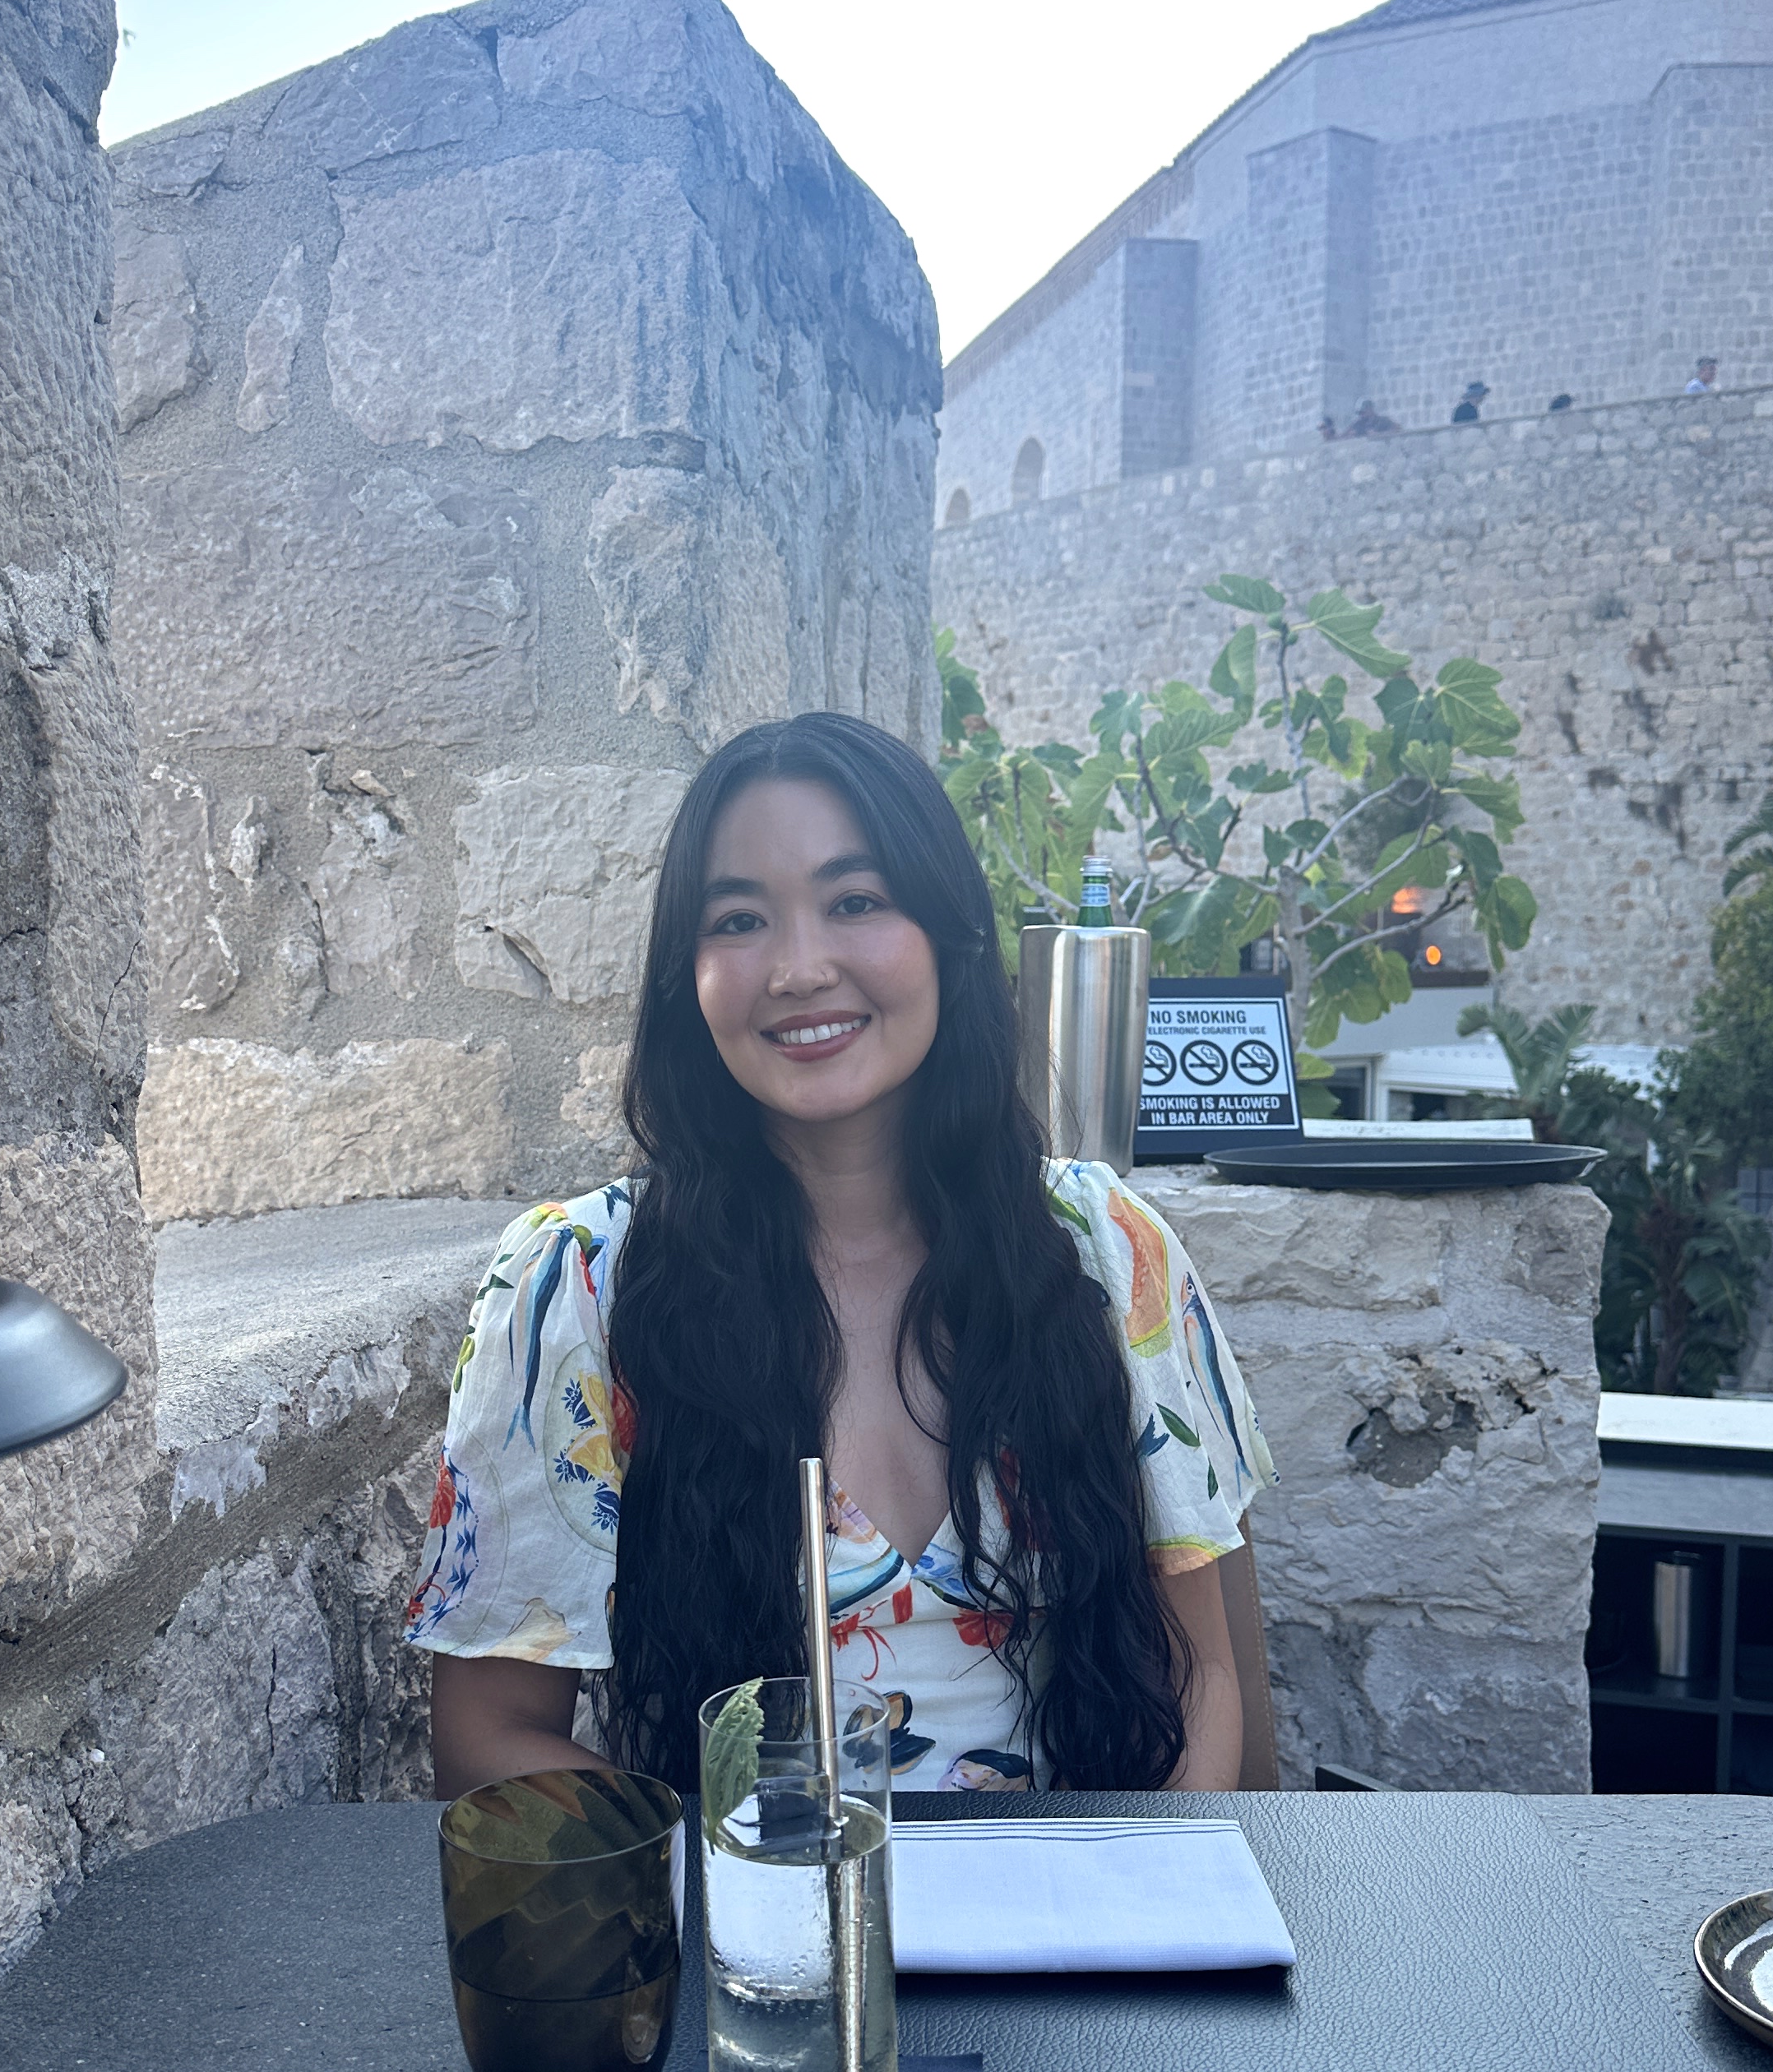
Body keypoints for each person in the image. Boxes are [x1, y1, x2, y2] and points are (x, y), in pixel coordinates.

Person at [413, 713, 1270, 1799]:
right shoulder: (579, 1284)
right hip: (747, 1902)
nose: (800, 968)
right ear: (687, 979)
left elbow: (1205, 1677)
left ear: (948, 937)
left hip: (1087, 1893)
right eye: (739, 920)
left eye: (855, 901)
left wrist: (1154, 1897)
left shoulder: (1107, 1249)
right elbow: (487, 1736)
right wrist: (744, 1869)